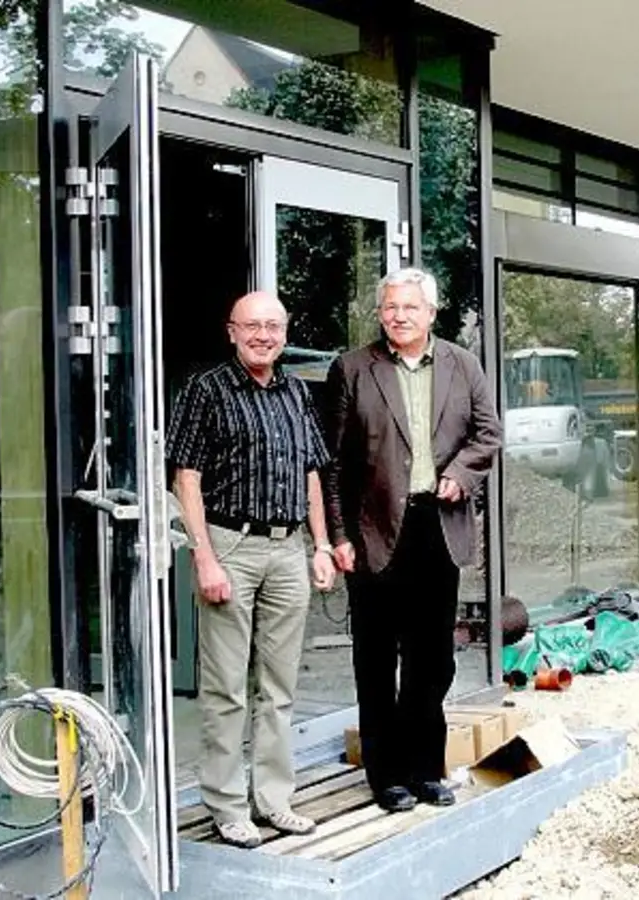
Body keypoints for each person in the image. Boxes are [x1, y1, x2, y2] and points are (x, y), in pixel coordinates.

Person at [323, 267, 503, 813]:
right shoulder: (353, 368)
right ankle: (387, 777)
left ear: (431, 312)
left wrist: (462, 474)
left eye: (410, 307)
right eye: (390, 307)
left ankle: (425, 770)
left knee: (432, 661)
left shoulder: (462, 364)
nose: (399, 316)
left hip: (437, 527)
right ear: (380, 313)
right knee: (376, 660)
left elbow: (488, 434)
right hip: (374, 529)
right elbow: (333, 463)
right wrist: (338, 534)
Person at [168, 291, 338, 849]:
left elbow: (312, 473)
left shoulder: (296, 392)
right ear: (232, 332)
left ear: (284, 333)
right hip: (230, 546)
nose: (263, 335)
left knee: (279, 686)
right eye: (252, 326)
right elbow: (186, 479)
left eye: (273, 326)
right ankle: (226, 806)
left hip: (288, 548)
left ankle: (274, 799)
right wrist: (204, 557)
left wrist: (320, 545)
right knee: (225, 689)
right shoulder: (206, 390)